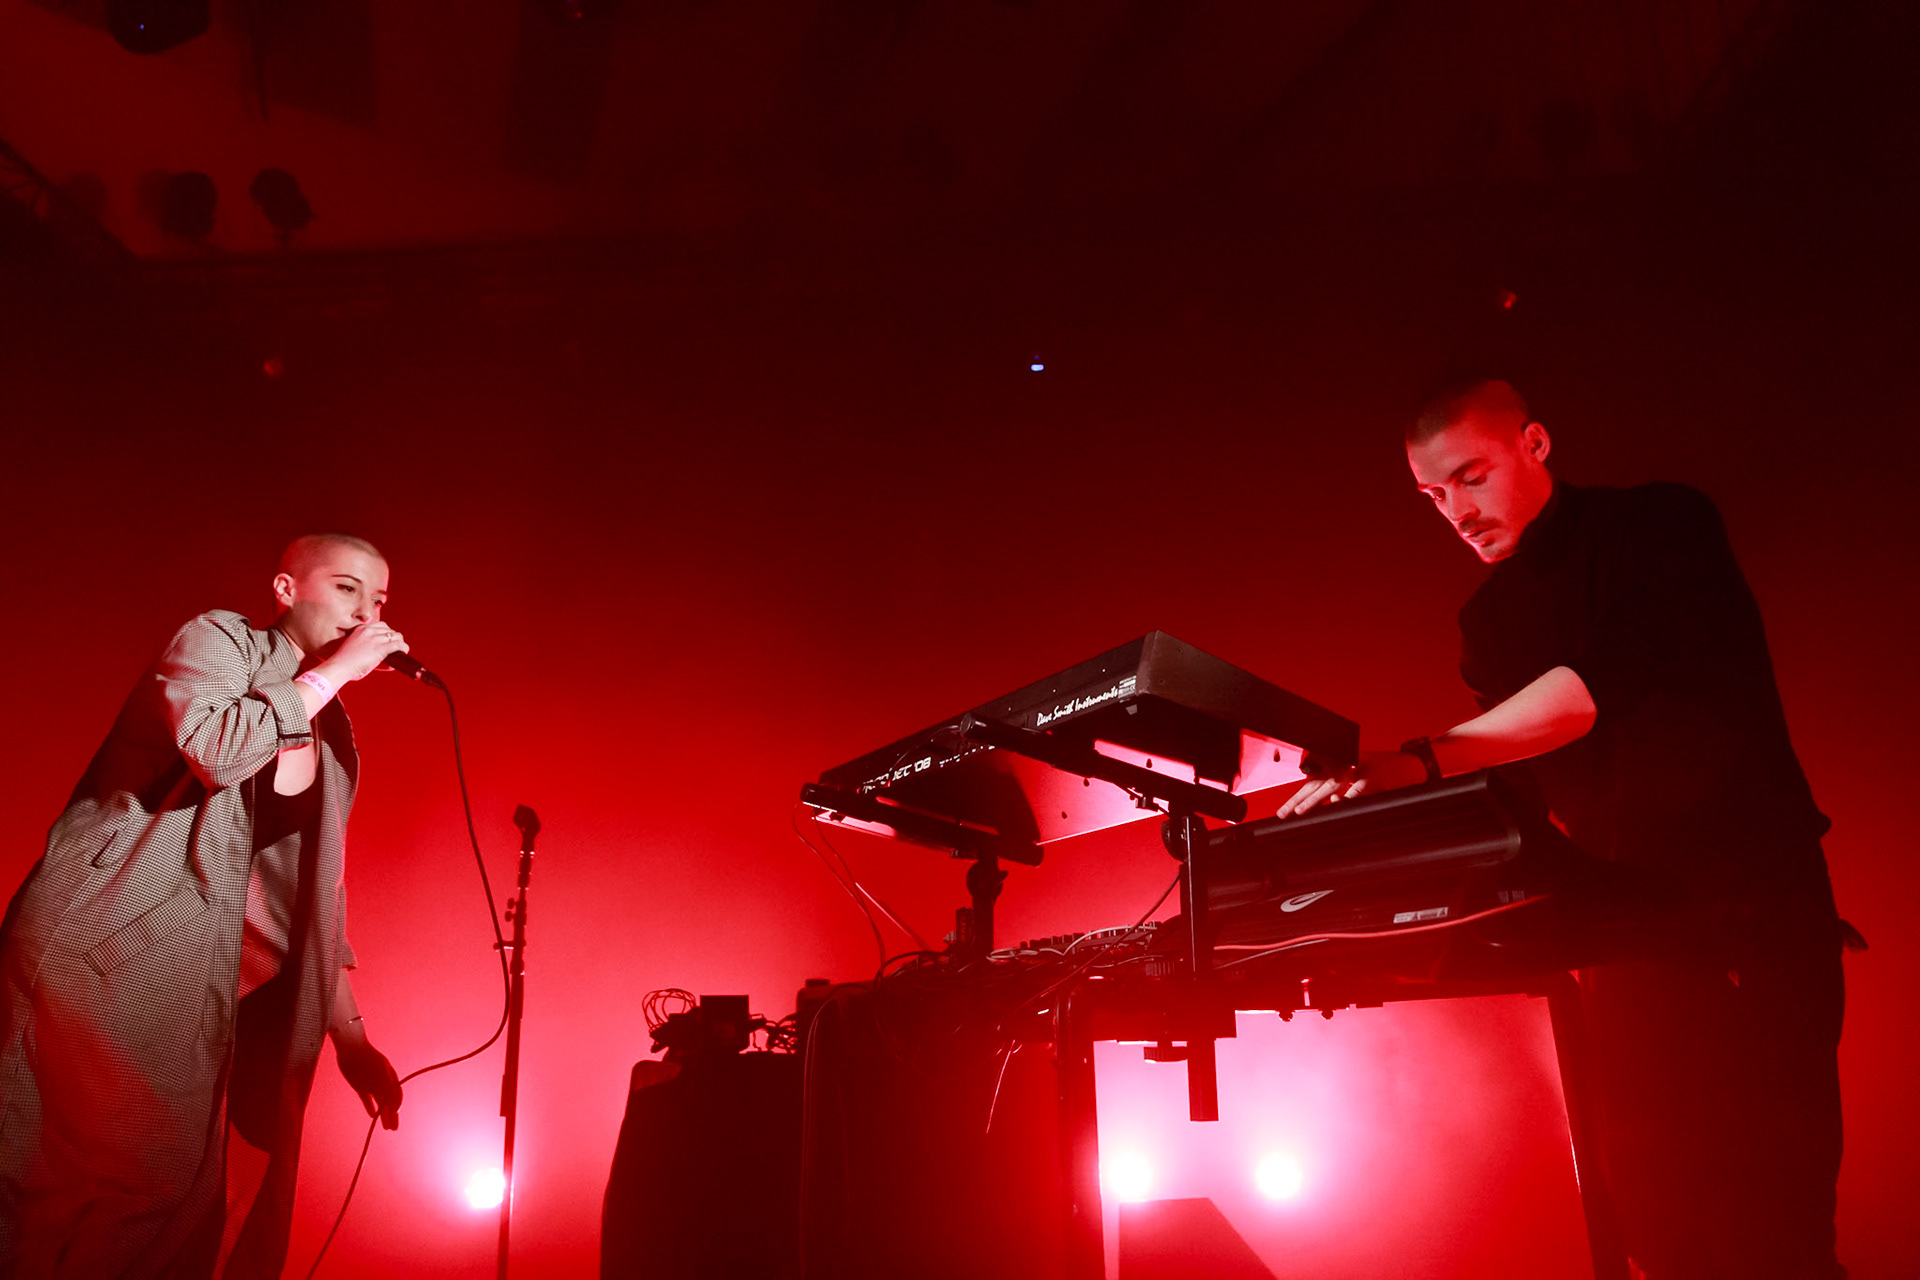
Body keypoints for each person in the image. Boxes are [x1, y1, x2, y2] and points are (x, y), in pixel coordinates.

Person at [1280, 380, 1849, 1279]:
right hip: (1626, 938)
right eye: (1434, 497)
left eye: (1470, 477)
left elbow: (1603, 681)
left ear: (1536, 443)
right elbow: (1520, 790)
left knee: (1773, 1216)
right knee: (1658, 1222)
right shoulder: (1487, 623)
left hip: (1753, 909)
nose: (1456, 513)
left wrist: (1423, 758)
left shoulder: (1663, 524)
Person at [0, 533, 409, 1279]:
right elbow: (218, 746)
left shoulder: (334, 730)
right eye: (347, 588)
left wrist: (351, 1039)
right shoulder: (220, 638)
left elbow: (308, 899)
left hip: (198, 981)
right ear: (287, 590)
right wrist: (335, 674)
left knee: (180, 1204)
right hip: (105, 951)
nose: (366, 613)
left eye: (379, 600)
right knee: (78, 1189)